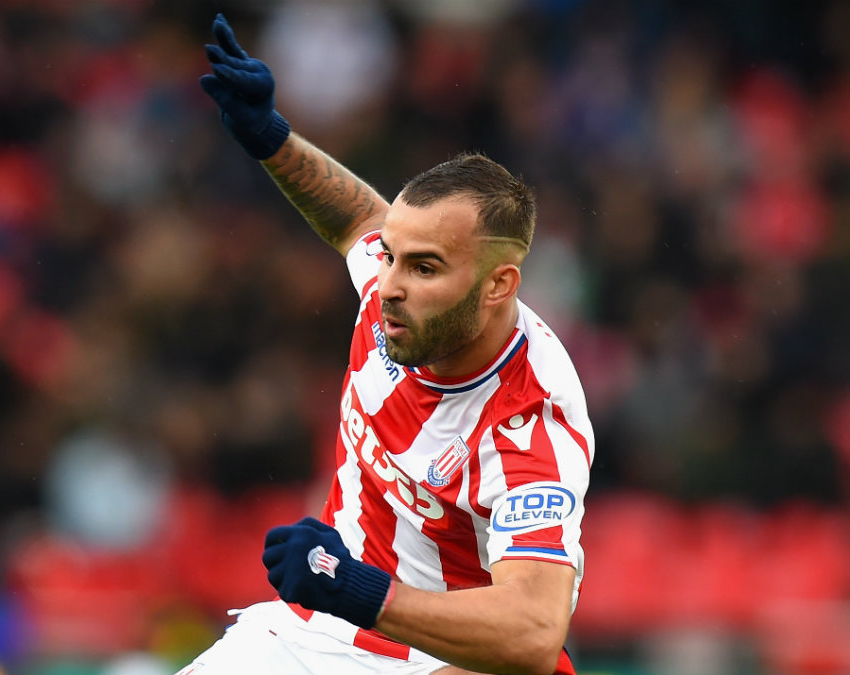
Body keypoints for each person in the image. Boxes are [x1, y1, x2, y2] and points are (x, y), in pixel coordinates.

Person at [179, 14, 593, 675]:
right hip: (312, 635)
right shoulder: (396, 292)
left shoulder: (527, 420)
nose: (389, 283)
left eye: (423, 267)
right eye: (392, 258)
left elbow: (535, 631)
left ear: (498, 285)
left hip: (436, 658)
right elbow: (360, 219)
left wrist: (356, 587)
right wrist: (271, 139)